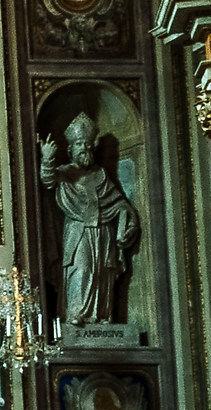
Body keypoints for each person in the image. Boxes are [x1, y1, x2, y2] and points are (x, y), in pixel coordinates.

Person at [41, 113, 140, 325]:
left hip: (103, 232)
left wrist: (127, 221)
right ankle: (75, 314)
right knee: (82, 269)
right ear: (70, 150)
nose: (84, 148)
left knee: (101, 273)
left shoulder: (101, 174)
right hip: (78, 231)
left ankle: (101, 315)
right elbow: (47, 180)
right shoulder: (65, 173)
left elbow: (118, 202)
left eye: (87, 144)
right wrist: (47, 158)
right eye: (79, 144)